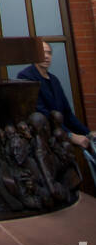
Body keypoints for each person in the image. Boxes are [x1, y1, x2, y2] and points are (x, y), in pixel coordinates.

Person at [17, 41, 96, 183]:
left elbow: (67, 114)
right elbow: (42, 114)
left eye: (49, 53)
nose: (46, 56)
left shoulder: (54, 80)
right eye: (43, 52)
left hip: (61, 136)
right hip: (43, 140)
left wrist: (87, 133)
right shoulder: (26, 77)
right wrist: (71, 136)